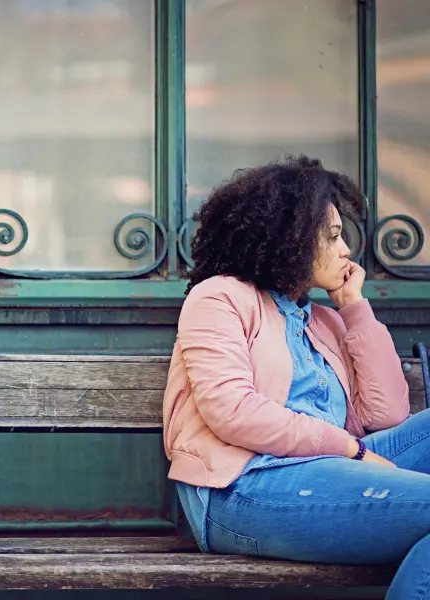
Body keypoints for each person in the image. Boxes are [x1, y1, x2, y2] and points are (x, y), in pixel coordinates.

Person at [162, 156, 430, 599]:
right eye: (333, 236)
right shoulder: (218, 298)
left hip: (338, 468)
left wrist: (354, 308)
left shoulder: (324, 319)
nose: (346, 250)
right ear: (291, 238)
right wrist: (350, 449)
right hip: (244, 488)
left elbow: (387, 413)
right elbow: (233, 412)